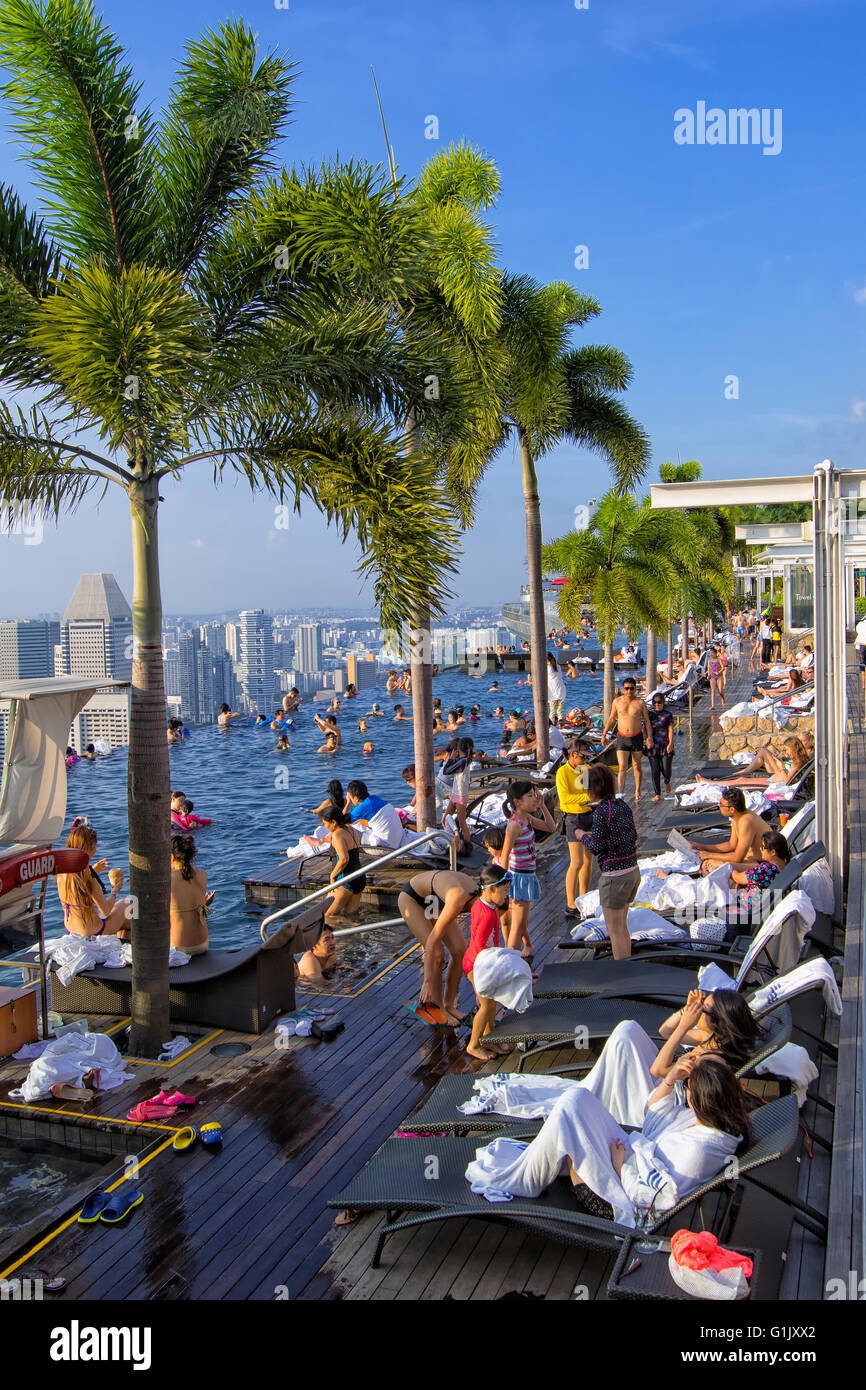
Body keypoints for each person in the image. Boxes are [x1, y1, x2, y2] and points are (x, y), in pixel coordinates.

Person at [465, 1053, 750, 1226]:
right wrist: (670, 1079)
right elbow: (654, 1112)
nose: (685, 1093)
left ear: (699, 1099)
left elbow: (656, 1198)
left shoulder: (698, 1152)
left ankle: (526, 1180)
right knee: (578, 1099)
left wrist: (619, 1166)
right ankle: (537, 1164)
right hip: (627, 1160)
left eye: (688, 1088)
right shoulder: (708, 1123)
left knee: (568, 1115)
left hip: (616, 1201)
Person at [578, 989, 763, 1126]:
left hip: (661, 1105)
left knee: (623, 1042)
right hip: (665, 1083)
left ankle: (593, 1098)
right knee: (628, 1030)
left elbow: (657, 1070)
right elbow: (665, 1031)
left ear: (717, 1023)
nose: (698, 1009)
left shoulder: (708, 1060)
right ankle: (597, 1089)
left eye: (702, 1008)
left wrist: (684, 1027)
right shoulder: (711, 1038)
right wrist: (686, 1010)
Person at [397, 868, 478, 1024]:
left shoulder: (481, 901)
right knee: (438, 953)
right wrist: (427, 980)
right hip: (413, 898)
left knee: (460, 949)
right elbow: (431, 944)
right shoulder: (459, 898)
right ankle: (437, 1007)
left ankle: (449, 1005)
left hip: (434, 898)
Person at [577, 763, 639, 959]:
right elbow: (627, 835)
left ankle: (623, 975)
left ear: (594, 790)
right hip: (632, 870)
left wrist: (581, 835)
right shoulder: (622, 805)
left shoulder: (601, 811)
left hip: (614, 876)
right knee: (623, 928)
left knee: (614, 931)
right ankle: (627, 964)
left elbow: (596, 848)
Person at [498, 781, 556, 960]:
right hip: (519, 877)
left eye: (534, 795)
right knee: (517, 925)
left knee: (521, 921)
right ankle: (510, 962)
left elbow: (551, 828)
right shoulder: (514, 825)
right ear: (517, 801)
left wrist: (543, 806)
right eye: (529, 796)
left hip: (529, 875)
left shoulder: (527, 819)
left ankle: (526, 948)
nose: (533, 799)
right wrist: (503, 886)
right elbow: (505, 855)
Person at [463, 866, 515, 1060]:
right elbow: (479, 945)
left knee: (491, 1004)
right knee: (485, 1005)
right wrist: (493, 964)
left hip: (479, 961)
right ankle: (473, 1044)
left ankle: (489, 1038)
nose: (507, 896)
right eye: (504, 891)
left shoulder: (485, 905)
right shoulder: (486, 914)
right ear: (491, 889)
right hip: (477, 965)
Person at [57, 824, 130, 938]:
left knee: (124, 914)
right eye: (95, 846)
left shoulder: (62, 871)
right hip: (93, 931)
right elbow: (105, 910)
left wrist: (94, 870)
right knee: (128, 904)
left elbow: (77, 884)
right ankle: (130, 948)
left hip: (70, 929)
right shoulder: (88, 876)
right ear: (90, 847)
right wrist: (114, 891)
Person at [689, 787, 768, 875]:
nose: (719, 806)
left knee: (713, 865)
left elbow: (737, 858)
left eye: (721, 804)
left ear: (732, 809)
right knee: (709, 864)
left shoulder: (746, 821)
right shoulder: (737, 817)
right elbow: (731, 845)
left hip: (763, 864)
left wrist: (708, 855)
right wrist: (702, 847)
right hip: (750, 859)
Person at [556, 743, 594, 912]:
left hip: (588, 815)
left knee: (588, 861)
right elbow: (565, 798)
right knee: (576, 861)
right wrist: (586, 796)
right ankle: (570, 903)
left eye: (586, 757)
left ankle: (583, 897)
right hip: (573, 818)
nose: (585, 760)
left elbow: (588, 791)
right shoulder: (562, 772)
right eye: (582, 757)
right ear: (572, 755)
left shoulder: (585, 769)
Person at [601, 678, 652, 798]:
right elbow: (611, 719)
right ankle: (621, 793)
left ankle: (637, 791)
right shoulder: (617, 702)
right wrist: (604, 734)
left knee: (636, 766)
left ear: (635, 689)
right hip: (623, 738)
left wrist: (649, 737)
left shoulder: (640, 703)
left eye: (632, 688)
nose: (629, 691)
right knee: (622, 766)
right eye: (627, 688)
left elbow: (647, 721)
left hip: (636, 737)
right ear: (623, 689)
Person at [697, 735, 807, 787]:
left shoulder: (796, 764)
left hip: (772, 782)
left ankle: (710, 783)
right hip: (772, 779)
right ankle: (710, 782)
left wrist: (782, 766)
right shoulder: (796, 761)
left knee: (741, 781)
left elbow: (786, 782)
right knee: (741, 780)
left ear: (793, 748)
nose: (787, 752)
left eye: (787, 749)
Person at [728, 829, 792, 918]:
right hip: (764, 904)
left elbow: (738, 877)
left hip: (750, 909)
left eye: (763, 847)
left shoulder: (767, 869)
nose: (760, 849)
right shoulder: (786, 866)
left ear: (773, 852)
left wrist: (726, 866)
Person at [321, 804, 367, 922]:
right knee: (351, 916)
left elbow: (344, 859)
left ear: (334, 822)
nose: (324, 826)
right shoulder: (351, 829)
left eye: (325, 823)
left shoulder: (337, 834)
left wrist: (332, 876)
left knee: (327, 916)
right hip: (359, 877)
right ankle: (356, 936)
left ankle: (337, 938)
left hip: (345, 879)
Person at [169, 834, 214, 955]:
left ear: (172, 857)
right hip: (202, 945)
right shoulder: (202, 875)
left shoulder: (167, 879)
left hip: (178, 948)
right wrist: (205, 903)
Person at [440, 737, 474, 851]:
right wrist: (453, 758)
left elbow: (446, 771)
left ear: (459, 749)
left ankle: (466, 847)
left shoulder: (463, 762)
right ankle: (450, 843)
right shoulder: (464, 760)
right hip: (456, 794)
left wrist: (451, 758)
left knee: (462, 823)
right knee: (444, 820)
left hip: (460, 796)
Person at [647, 691, 675, 801]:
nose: (657, 705)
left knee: (666, 769)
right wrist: (647, 740)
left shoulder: (668, 715)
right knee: (655, 770)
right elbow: (645, 728)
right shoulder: (650, 715)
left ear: (663, 702)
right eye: (654, 703)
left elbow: (670, 729)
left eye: (659, 703)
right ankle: (657, 793)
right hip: (653, 745)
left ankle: (667, 781)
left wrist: (671, 743)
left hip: (665, 744)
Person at [547, 652, 566, 724]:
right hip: (561, 691)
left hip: (553, 692)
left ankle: (551, 729)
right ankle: (561, 727)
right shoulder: (558, 666)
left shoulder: (548, 668)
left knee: (552, 712)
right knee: (560, 712)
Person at [707, 645, 725, 711]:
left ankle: (723, 699)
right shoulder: (709, 661)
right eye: (710, 653)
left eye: (712, 653)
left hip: (719, 676)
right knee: (713, 691)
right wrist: (708, 675)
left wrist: (719, 672)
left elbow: (723, 668)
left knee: (720, 690)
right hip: (712, 676)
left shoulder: (719, 660)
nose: (711, 654)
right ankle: (713, 705)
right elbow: (709, 669)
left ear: (715, 653)